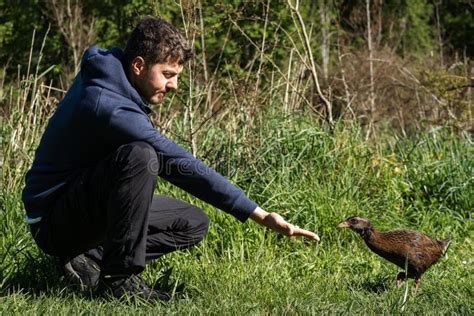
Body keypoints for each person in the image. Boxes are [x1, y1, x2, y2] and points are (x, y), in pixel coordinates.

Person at [22, 17, 320, 302]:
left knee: (192, 222)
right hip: (53, 222)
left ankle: (89, 261)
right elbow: (179, 163)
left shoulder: (114, 74)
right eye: (168, 74)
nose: (174, 85)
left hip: (82, 204)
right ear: (138, 65)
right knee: (140, 156)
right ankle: (118, 281)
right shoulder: (108, 106)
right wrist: (259, 214)